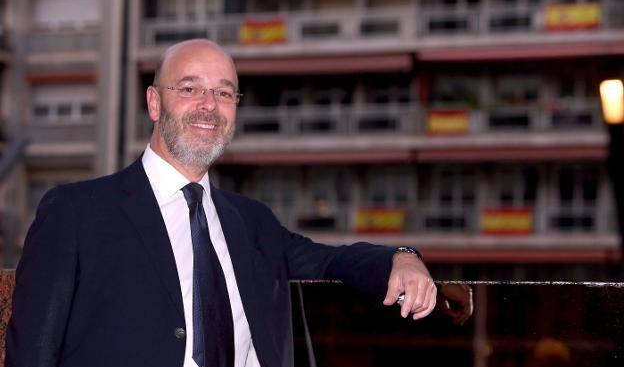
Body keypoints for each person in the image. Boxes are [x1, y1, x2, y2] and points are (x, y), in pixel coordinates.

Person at [6, 39, 436, 367]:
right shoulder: (75, 212)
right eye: (190, 88)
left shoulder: (252, 222)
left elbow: (329, 262)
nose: (209, 106)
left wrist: (402, 257)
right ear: (154, 102)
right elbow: (32, 351)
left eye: (225, 93)